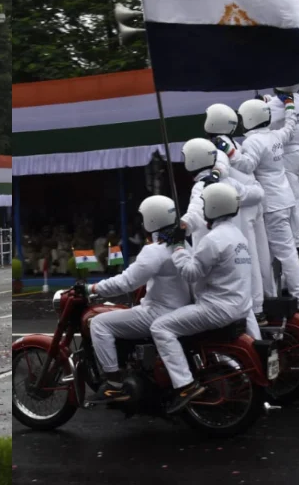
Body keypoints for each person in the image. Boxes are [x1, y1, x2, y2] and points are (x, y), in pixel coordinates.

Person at [152, 183, 255, 414]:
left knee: (160, 327)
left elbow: (191, 273)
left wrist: (178, 247)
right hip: (240, 306)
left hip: (217, 308)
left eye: (206, 205)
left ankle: (184, 385)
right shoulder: (237, 235)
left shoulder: (213, 239)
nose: (204, 209)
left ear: (214, 207)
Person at [87, 195, 193, 403]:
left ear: (151, 220)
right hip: (181, 310)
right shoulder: (181, 244)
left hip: (159, 312)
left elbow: (126, 282)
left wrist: (93, 288)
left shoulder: (155, 250)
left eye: (143, 218)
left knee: (99, 324)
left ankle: (114, 384)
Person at [229, 96, 299, 311]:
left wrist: (228, 151)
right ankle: (279, 294)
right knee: (281, 253)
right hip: (285, 199)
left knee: (285, 253)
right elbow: (290, 128)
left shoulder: (253, 142)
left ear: (250, 118)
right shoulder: (275, 135)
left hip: (272, 204)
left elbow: (246, 165)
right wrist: (290, 106)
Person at [180, 137, 264, 332]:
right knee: (243, 304)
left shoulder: (202, 187)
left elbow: (195, 213)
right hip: (234, 250)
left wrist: (179, 228)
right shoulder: (229, 183)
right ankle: (256, 344)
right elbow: (258, 194)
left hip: (209, 257)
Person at [266, 84, 299, 247]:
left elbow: (262, 122)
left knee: (295, 202)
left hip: (289, 154)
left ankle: (298, 244)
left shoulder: (272, 105)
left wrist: (262, 104)